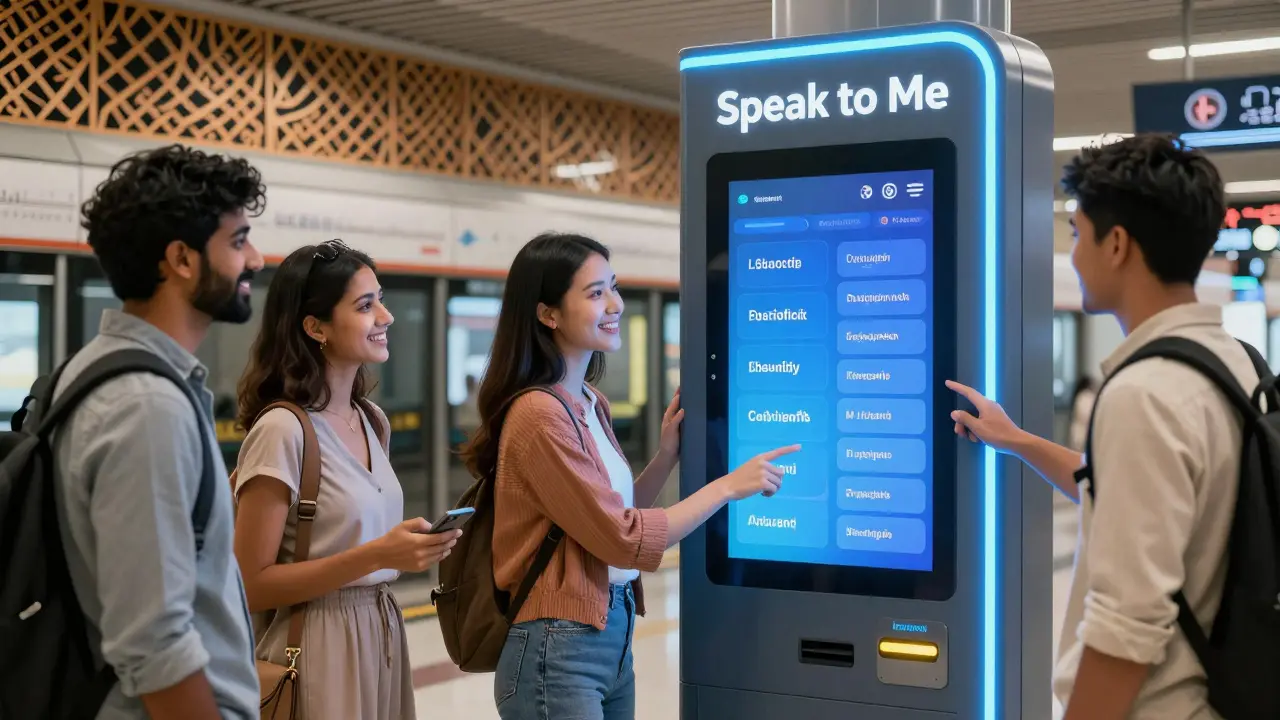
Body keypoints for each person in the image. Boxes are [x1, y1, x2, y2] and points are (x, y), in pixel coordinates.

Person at [947, 134, 1250, 719]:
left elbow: (1126, 625)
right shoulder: (1232, 362)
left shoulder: (1145, 393)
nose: (1074, 255)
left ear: (1116, 245)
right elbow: (1122, 493)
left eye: (1077, 235)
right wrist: (1017, 441)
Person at [461, 232, 797, 720]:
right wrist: (727, 487)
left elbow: (601, 518)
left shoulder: (589, 403)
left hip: (611, 637)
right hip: (557, 647)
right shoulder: (539, 414)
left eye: (613, 287)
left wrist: (664, 457)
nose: (615, 304)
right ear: (547, 314)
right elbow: (621, 538)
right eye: (595, 293)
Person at [53, 144, 265, 719]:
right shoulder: (147, 407)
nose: (256, 259)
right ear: (182, 259)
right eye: (239, 241)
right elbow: (155, 642)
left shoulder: (87, 370)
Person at [232, 240, 459, 720]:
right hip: (314, 642)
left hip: (381, 629)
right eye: (365, 305)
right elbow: (249, 583)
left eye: (380, 298)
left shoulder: (373, 420)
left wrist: (405, 551)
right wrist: (378, 555)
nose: (386, 316)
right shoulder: (282, 430)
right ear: (315, 327)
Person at [1065, 375, 1097, 452]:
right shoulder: (1086, 396)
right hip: (1083, 434)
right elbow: (1087, 415)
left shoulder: (1079, 396)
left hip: (1077, 433)